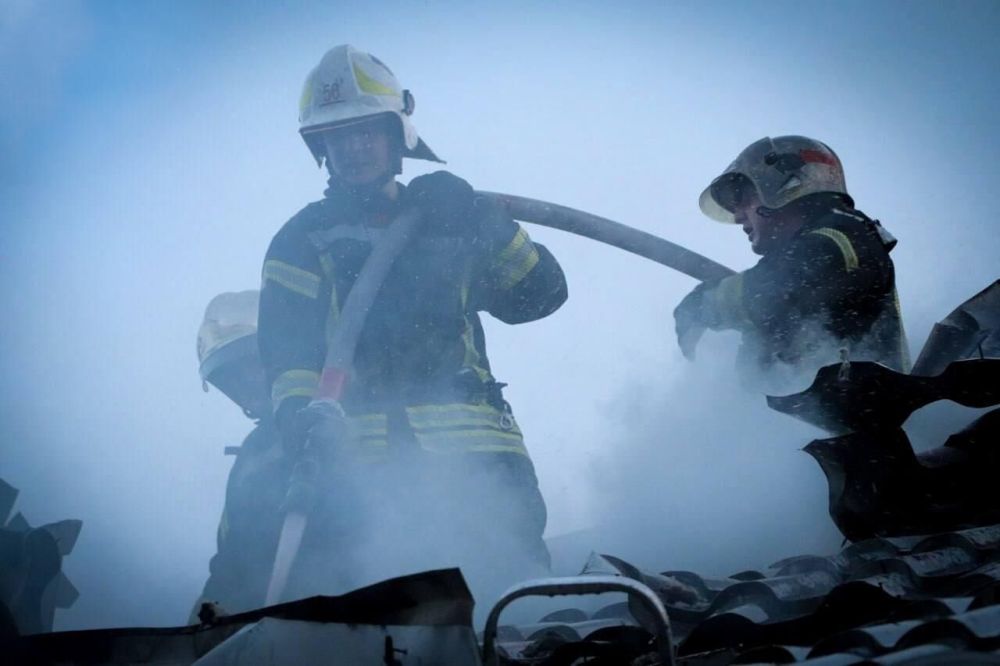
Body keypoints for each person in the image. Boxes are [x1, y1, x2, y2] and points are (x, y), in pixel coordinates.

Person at [258, 45, 567, 601]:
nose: (353, 147)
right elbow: (288, 358)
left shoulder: (453, 217)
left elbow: (540, 296)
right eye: (338, 135)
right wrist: (301, 422)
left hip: (483, 473)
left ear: (397, 131)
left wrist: (489, 223)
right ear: (319, 147)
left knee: (516, 619)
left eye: (366, 130)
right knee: (391, 636)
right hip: (366, 480)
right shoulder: (301, 242)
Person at [674, 135, 909, 381]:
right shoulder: (821, 250)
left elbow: (783, 286)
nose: (739, 217)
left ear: (781, 185)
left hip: (858, 414)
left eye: (742, 200)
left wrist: (705, 303)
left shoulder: (842, 235)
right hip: (815, 413)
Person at [190, 290, 290, 618]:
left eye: (251, 365)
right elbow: (228, 562)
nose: (247, 383)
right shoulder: (253, 452)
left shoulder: (333, 422)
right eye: (233, 376)